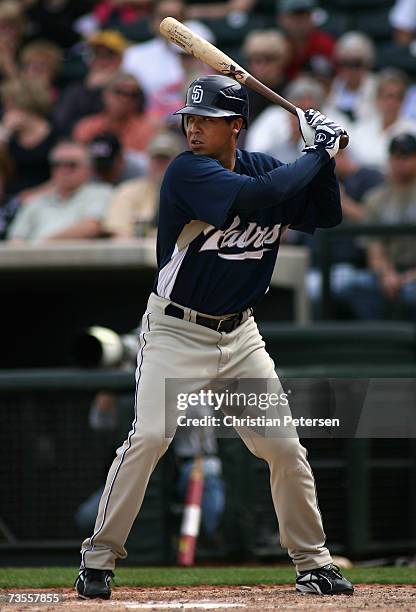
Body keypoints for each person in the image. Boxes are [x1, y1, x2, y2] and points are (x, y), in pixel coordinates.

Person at [75, 74, 354, 599]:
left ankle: (314, 562)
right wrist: (316, 150)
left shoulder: (267, 166)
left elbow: (327, 213)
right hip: (177, 332)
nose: (195, 128)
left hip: (241, 336)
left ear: (236, 128)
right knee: (150, 438)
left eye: (208, 121)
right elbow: (258, 198)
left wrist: (326, 156)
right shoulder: (187, 171)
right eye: (191, 119)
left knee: (284, 448)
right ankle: (97, 559)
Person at [340, 133, 416, 320]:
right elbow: (374, 248)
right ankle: (378, 344)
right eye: (394, 156)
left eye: (405, 156)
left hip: (413, 272)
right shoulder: (375, 199)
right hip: (387, 272)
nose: (399, 162)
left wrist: (410, 276)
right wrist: (387, 274)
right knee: (351, 286)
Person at [7, 140, 112, 243]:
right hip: (31, 258)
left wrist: (44, 244)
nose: (64, 170)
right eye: (57, 164)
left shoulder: (100, 193)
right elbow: (16, 238)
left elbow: (91, 227)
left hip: (78, 258)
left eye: (72, 165)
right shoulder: (35, 201)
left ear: (89, 169)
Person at [104, 130, 182, 237]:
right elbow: (117, 232)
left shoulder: (191, 195)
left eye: (165, 159)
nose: (159, 165)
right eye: (156, 159)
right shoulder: (128, 190)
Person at [52, 30, 129, 136]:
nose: (102, 62)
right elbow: (60, 122)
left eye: (108, 56)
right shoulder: (76, 89)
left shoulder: (130, 88)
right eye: (97, 54)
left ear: (120, 59)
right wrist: (91, 90)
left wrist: (110, 87)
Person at [73, 72, 157, 153]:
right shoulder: (87, 127)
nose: (125, 99)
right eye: (118, 91)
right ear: (105, 94)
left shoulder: (146, 131)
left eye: (132, 94)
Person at [277, 0, 335, 81]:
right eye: (294, 16)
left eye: (304, 15)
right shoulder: (277, 44)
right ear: (282, 18)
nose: (299, 21)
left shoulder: (325, 44)